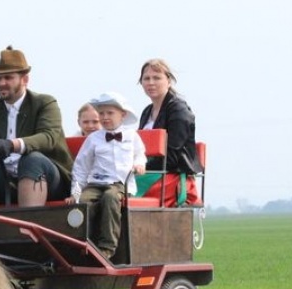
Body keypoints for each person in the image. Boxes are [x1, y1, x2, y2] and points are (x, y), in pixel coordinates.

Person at [0, 46, 73, 207]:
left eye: (8, 78)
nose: (2, 83)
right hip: (5, 180)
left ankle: (28, 222)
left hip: (47, 179)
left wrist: (13, 145)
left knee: (32, 160)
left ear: (25, 80)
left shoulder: (45, 103)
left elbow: (48, 137)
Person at [67, 93, 146, 260]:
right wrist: (76, 192)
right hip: (96, 183)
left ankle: (107, 247)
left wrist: (139, 165)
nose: (105, 117)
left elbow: (140, 155)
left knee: (110, 198)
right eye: (101, 113)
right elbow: (81, 167)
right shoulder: (93, 139)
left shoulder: (132, 136)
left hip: (120, 183)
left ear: (122, 114)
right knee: (82, 202)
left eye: (110, 113)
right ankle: (80, 244)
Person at [137, 58, 203, 206]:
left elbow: (173, 155)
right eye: (146, 78)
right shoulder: (147, 111)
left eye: (156, 78)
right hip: (148, 173)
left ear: (169, 81)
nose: (151, 82)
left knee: (122, 193)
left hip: (171, 175)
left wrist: (141, 168)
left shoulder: (178, 110)